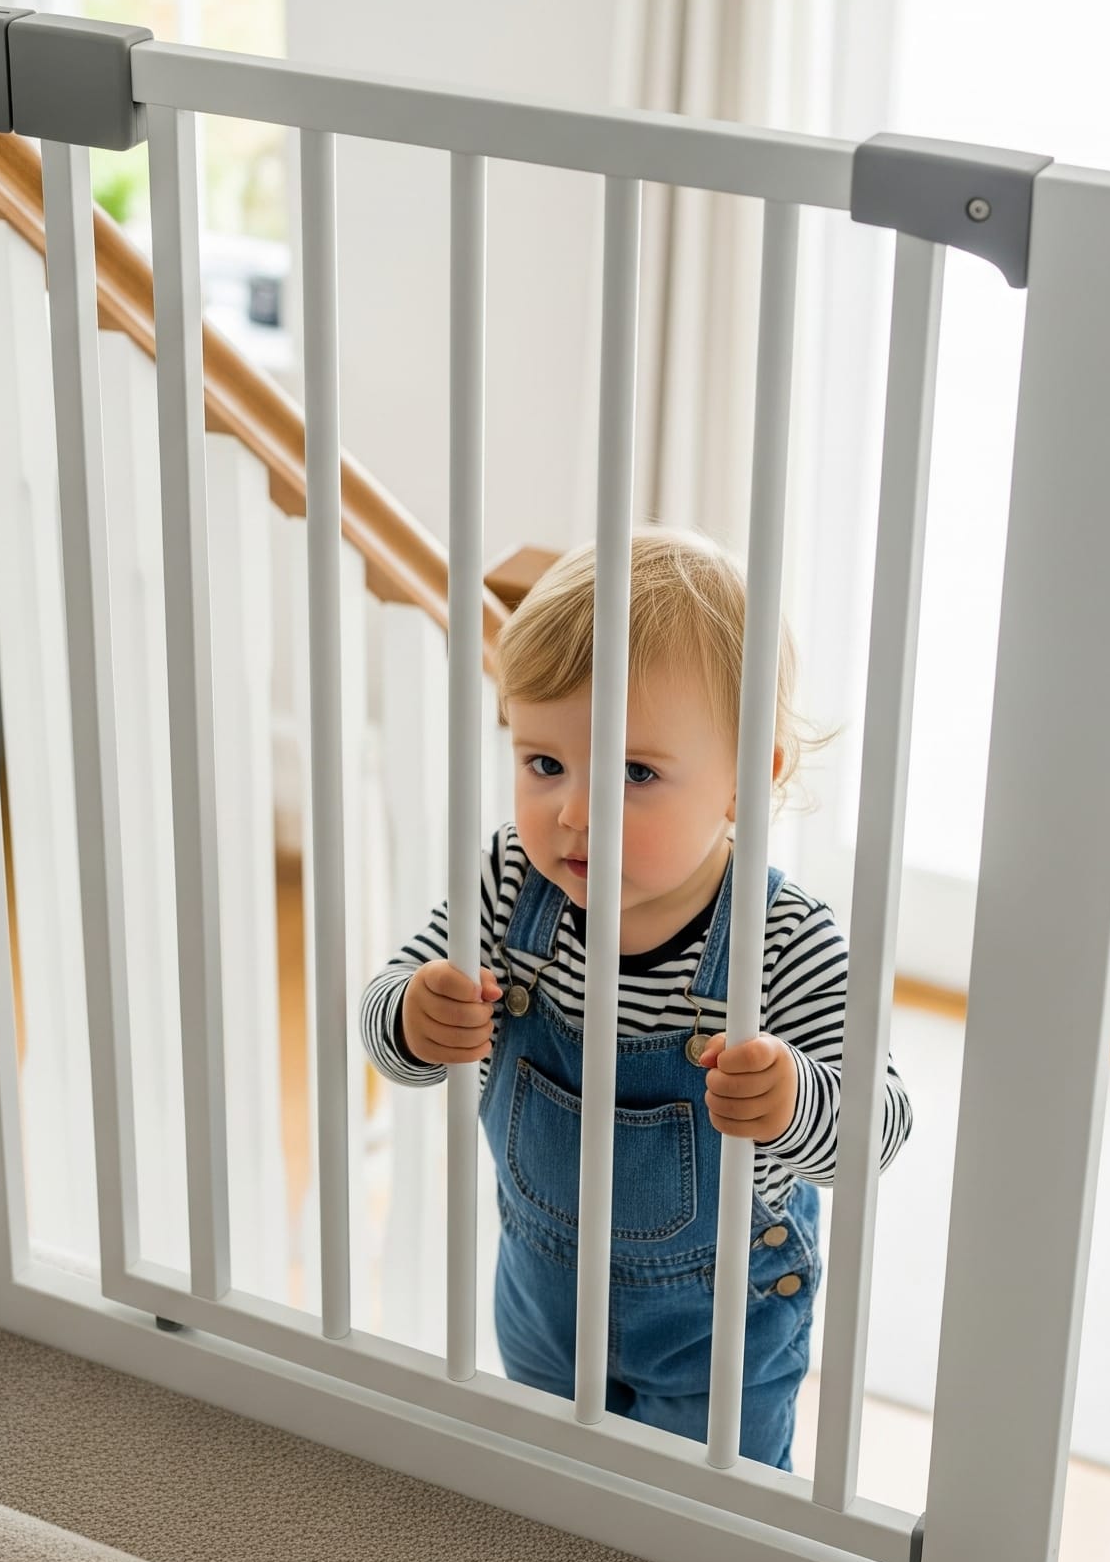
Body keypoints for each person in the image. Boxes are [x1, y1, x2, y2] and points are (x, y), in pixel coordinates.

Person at [359, 529, 912, 1470]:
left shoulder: (785, 942)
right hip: (542, 1306)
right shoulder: (510, 884)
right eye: (544, 764)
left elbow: (879, 1127)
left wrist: (791, 1102)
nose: (574, 812)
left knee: (707, 1531)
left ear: (751, 779)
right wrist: (416, 1015)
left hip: (717, 1340)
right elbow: (385, 1014)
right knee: (556, 1490)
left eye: (636, 772)